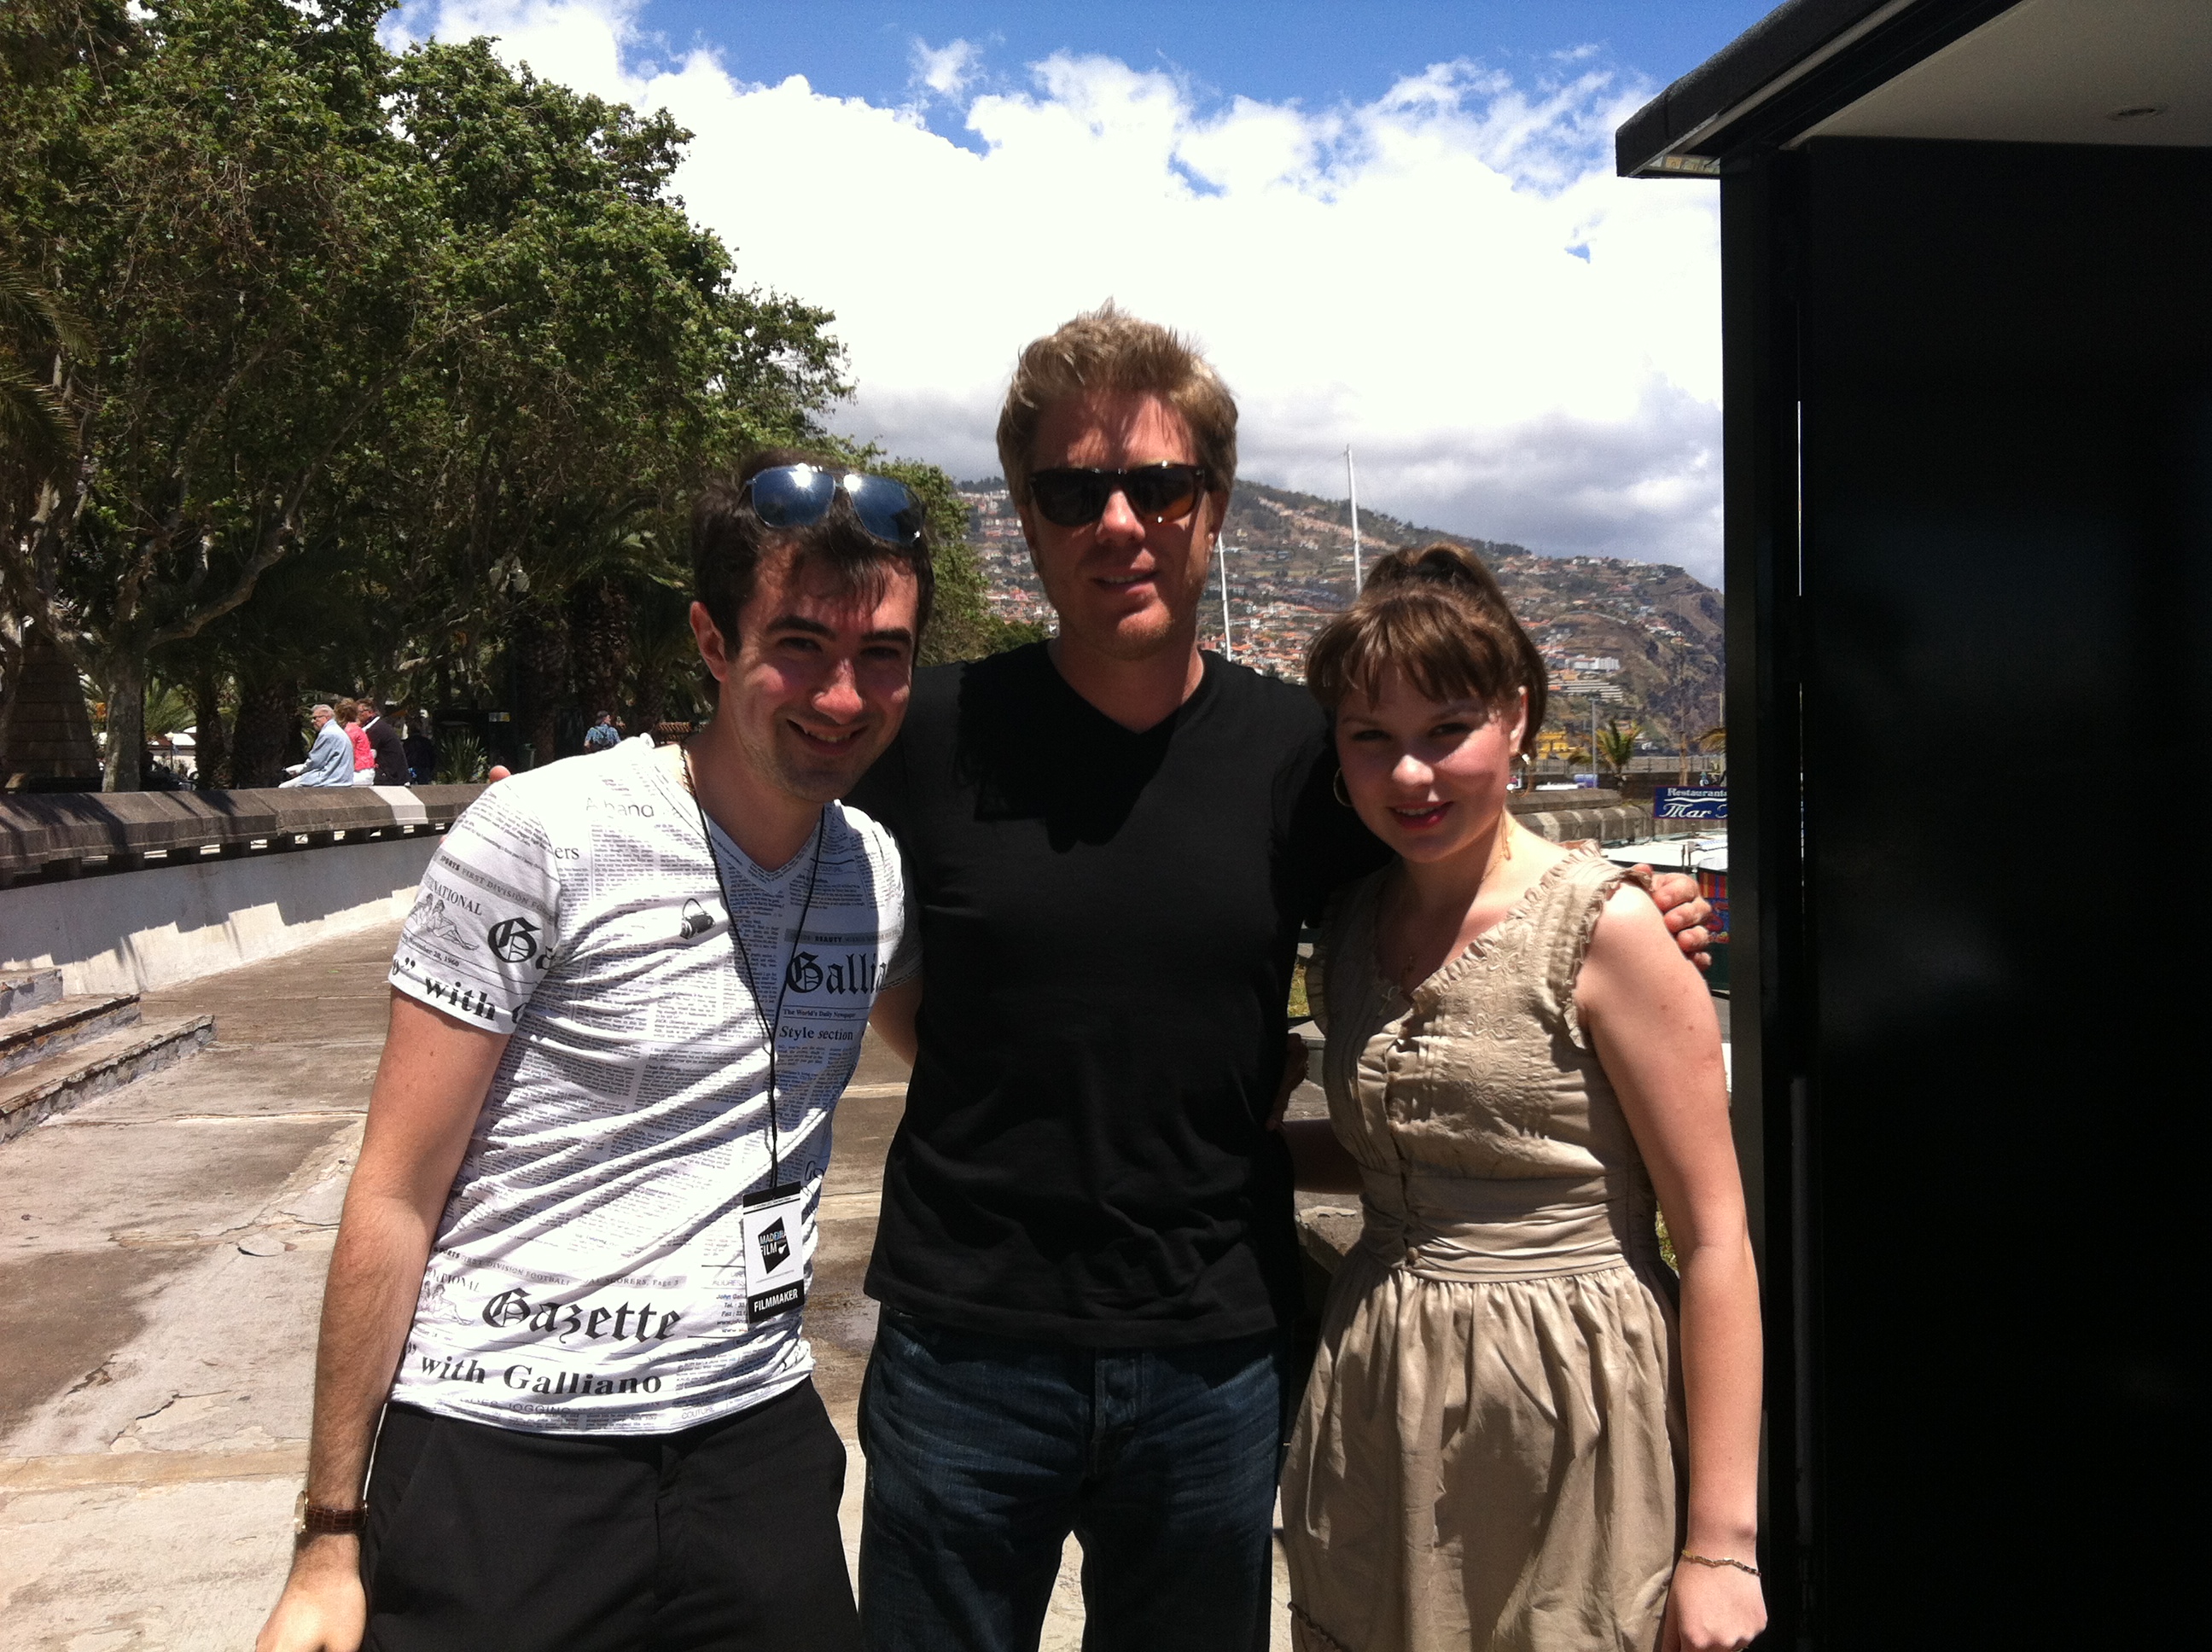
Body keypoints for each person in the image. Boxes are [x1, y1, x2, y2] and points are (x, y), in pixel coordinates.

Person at [846, 305, 1714, 1652]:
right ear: (1025, 514)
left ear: (1215, 507)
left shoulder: (1311, 757)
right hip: (966, 1348)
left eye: (1158, 484)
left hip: (1215, 1350)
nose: (1117, 521)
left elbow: (1462, 881)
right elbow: (850, 945)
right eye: (1073, 490)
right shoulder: (930, 731)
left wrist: (1635, 906)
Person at [253, 448, 935, 1652]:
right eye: (799, 647)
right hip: (502, 1454)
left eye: (880, 656)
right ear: (714, 644)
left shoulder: (874, 876)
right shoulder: (544, 838)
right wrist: (330, 1532)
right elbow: (398, 1189)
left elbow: (980, 1062)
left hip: (753, 1445)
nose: (841, 694)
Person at [1277, 546, 1764, 1652]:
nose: (1412, 773)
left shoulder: (1613, 931)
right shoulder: (1350, 930)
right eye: (1373, 738)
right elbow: (1404, 1146)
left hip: (1570, 1396)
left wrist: (1722, 1543)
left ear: (1517, 720)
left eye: (1447, 729)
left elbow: (1718, 1239)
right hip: (1377, 1389)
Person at [281, 704, 356, 788]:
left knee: (283, 788)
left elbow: (315, 761)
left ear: (326, 717)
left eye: (315, 718)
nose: (313, 722)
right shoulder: (338, 730)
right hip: (343, 779)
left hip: (329, 779)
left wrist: (300, 772)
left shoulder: (327, 734)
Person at [362, 700, 409, 787]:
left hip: (390, 775)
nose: (357, 715)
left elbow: (370, 755)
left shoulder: (376, 729)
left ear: (370, 712)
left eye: (360, 712)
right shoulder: (380, 725)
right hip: (395, 773)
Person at [338, 698, 376, 786]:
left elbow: (348, 755)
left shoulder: (350, 730)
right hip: (365, 771)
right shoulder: (355, 728)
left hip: (360, 773)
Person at [402, 712, 438, 785]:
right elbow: (432, 756)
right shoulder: (426, 742)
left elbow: (403, 756)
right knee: (424, 786)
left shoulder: (407, 743)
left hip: (411, 768)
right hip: (424, 768)